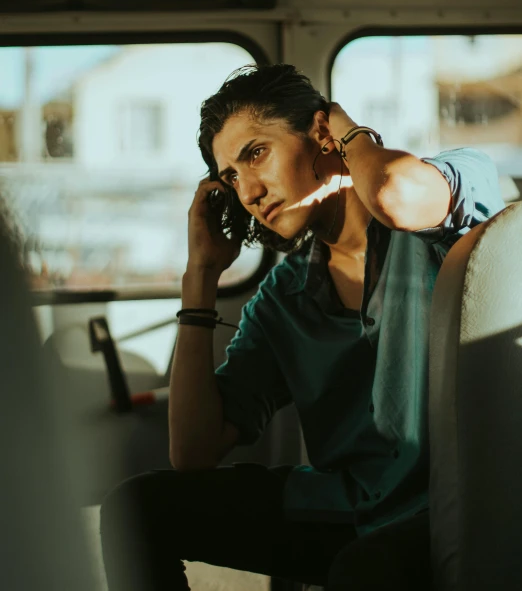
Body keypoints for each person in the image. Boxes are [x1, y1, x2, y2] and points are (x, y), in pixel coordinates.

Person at [100, 63, 505, 591]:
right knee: (134, 509)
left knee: (364, 571)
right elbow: (194, 451)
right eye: (230, 178)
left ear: (320, 134)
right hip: (350, 504)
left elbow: (393, 195)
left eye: (256, 154)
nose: (247, 191)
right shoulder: (282, 298)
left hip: (464, 504)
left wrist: (344, 127)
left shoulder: (443, 185)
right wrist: (199, 275)